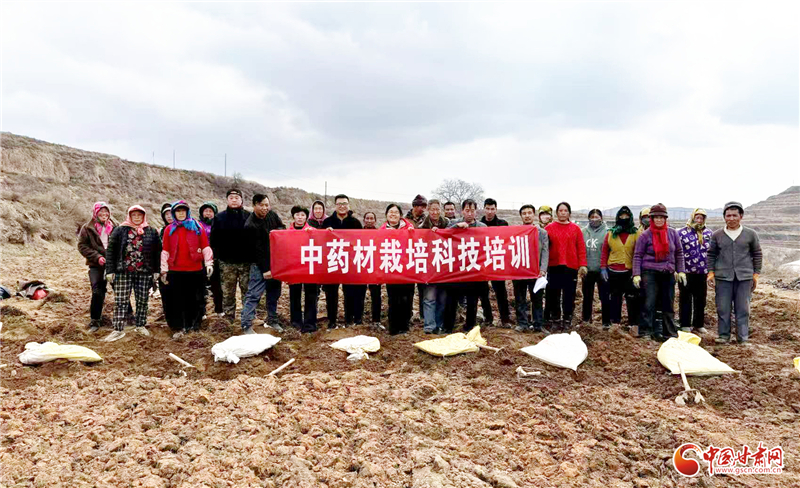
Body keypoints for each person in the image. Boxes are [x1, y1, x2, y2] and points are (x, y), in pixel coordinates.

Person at [103, 205, 161, 342]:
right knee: (121, 301)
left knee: (142, 300)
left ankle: (140, 325)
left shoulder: (151, 231)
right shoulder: (119, 230)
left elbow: (157, 252)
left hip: (144, 272)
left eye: (139, 215)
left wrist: (156, 270)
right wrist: (110, 270)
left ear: (143, 216)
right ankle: (118, 329)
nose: (136, 217)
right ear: (129, 216)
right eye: (134, 215)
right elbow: (111, 251)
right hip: (123, 272)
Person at [708, 201, 762, 345]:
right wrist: (711, 273)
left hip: (744, 277)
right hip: (723, 277)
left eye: (734, 215)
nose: (731, 218)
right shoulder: (717, 235)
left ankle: (742, 338)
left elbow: (757, 254)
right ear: (724, 217)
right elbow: (711, 254)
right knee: (723, 307)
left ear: (741, 216)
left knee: (743, 308)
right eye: (728, 215)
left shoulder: (751, 234)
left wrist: (756, 274)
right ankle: (723, 335)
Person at [632, 203, 686, 341]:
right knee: (649, 302)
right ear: (651, 219)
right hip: (650, 273)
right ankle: (646, 331)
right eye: (656, 217)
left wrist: (681, 271)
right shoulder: (645, 235)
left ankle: (669, 332)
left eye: (662, 217)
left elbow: (679, 253)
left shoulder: (672, 233)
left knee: (668, 303)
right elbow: (637, 255)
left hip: (667, 272)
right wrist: (636, 274)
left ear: (665, 219)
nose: (659, 220)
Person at [160, 201, 214, 339]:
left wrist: (208, 263)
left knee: (195, 299)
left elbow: (205, 246)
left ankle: (194, 325)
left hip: (195, 270)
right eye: (178, 211)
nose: (181, 213)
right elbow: (165, 250)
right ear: (174, 213)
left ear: (187, 212)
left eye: (183, 211)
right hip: (176, 270)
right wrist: (164, 270)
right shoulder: (169, 230)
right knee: (177, 300)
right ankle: (179, 326)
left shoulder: (197, 227)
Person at [442, 199, 487, 333]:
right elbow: (443, 235)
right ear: (462, 211)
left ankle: (469, 326)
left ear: (476, 212)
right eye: (467, 210)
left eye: (472, 210)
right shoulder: (453, 223)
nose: (470, 213)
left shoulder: (482, 227)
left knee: (472, 300)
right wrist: (456, 227)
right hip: (457, 269)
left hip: (474, 269)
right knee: (451, 299)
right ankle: (448, 327)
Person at [240, 194, 282, 334]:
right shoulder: (250, 225)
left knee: (274, 294)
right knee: (254, 295)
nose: (265, 208)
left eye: (266, 205)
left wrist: (277, 232)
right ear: (254, 206)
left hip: (275, 261)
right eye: (261, 205)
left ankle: (272, 320)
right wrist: (265, 269)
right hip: (259, 265)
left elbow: (281, 227)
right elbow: (256, 251)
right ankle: (246, 324)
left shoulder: (272, 215)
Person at [322, 194, 365, 328]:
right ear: (335, 205)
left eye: (344, 203)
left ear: (348, 205)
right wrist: (325, 233)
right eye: (339, 204)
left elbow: (361, 241)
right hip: (332, 261)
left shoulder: (355, 223)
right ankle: (332, 320)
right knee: (331, 293)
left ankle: (349, 319)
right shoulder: (327, 222)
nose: (342, 206)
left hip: (349, 262)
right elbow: (320, 241)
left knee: (350, 292)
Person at [544, 202, 587, 332]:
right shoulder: (549, 228)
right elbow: (544, 248)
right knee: (554, 295)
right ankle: (555, 319)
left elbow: (581, 248)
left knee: (569, 295)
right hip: (554, 266)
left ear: (569, 213)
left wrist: (582, 264)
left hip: (570, 267)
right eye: (560, 210)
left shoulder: (576, 229)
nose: (563, 213)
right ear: (556, 213)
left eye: (565, 210)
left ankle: (567, 320)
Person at [77, 202, 117, 332]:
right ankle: (95, 321)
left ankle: (128, 317)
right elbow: (82, 246)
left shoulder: (115, 227)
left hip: (113, 265)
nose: (104, 214)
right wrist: (97, 257)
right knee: (97, 291)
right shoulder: (87, 228)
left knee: (120, 290)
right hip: (96, 265)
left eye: (106, 211)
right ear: (95, 213)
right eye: (101, 212)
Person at [600, 206, 640, 329]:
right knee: (615, 298)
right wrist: (603, 268)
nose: (624, 218)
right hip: (613, 271)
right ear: (618, 218)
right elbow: (604, 252)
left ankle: (633, 324)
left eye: (626, 216)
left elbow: (638, 253)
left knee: (632, 299)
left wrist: (637, 272)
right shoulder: (611, 233)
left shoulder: (635, 233)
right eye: (621, 216)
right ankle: (615, 323)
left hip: (629, 272)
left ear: (630, 217)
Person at [513, 204, 549, 333]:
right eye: (524, 213)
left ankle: (538, 324)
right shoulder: (515, 231)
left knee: (537, 298)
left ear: (534, 215)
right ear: (521, 216)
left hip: (536, 271)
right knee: (520, 298)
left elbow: (545, 251)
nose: (527, 216)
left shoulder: (542, 232)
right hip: (519, 270)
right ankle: (522, 323)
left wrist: (543, 269)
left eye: (529, 213)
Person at [678, 208, 713, 334]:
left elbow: (712, 252)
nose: (699, 220)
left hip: (702, 272)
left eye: (701, 218)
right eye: (697, 217)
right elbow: (678, 252)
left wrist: (711, 270)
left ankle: (698, 324)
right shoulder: (682, 233)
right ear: (692, 217)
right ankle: (685, 324)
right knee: (685, 298)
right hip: (686, 272)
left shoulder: (708, 233)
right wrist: (678, 269)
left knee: (701, 299)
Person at [382, 204, 416, 334]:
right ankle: (394, 327)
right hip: (391, 269)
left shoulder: (409, 228)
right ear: (386, 214)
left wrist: (412, 234)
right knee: (393, 298)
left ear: (400, 215)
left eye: (396, 212)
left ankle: (405, 326)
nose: (393, 214)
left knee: (407, 298)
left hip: (407, 269)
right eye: (390, 212)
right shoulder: (382, 230)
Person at [479, 198, 511, 327]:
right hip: (482, 262)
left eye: (492, 209)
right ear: (484, 209)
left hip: (497, 261)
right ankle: (488, 318)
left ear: (496, 209)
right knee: (483, 292)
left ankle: (505, 319)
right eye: (487, 208)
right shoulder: (478, 224)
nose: (490, 211)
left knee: (501, 291)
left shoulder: (503, 224)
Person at [419, 200, 450, 333]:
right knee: (429, 298)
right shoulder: (422, 227)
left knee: (442, 298)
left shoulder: (448, 224)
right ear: (428, 210)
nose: (435, 212)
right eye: (432, 209)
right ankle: (429, 326)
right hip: (429, 267)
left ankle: (439, 325)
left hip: (444, 266)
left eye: (437, 209)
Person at [288, 206, 319, 333]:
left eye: (302, 215)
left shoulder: (313, 231)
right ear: (293, 217)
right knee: (294, 295)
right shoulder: (287, 233)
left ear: (306, 217)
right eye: (297, 215)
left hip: (309, 267)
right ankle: (296, 322)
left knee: (311, 295)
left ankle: (310, 324)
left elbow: (321, 243)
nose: (300, 218)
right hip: (294, 267)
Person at [581, 209, 611, 328]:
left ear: (601, 218)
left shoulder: (607, 232)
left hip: (602, 270)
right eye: (592, 217)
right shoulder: (583, 232)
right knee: (587, 296)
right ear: (589, 218)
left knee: (605, 296)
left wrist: (606, 267)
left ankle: (606, 322)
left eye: (597, 216)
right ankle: (586, 320)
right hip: (587, 269)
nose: (594, 219)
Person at [405, 194, 428, 324]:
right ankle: (408, 315)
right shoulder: (405, 220)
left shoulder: (427, 220)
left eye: (424, 206)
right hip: (408, 257)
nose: (422, 209)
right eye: (419, 206)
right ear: (414, 206)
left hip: (422, 257)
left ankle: (424, 315)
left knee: (423, 289)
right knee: (409, 290)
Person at [198, 201, 223, 317]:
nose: (208, 213)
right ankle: (201, 312)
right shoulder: (197, 225)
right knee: (200, 286)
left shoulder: (219, 224)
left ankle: (219, 310)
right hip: (200, 259)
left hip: (215, 259)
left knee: (217, 286)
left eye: (210, 211)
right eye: (206, 211)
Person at [363, 211, 384, 329]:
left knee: (376, 295)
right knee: (360, 295)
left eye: (372, 218)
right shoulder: (357, 233)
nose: (369, 220)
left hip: (375, 269)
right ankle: (358, 320)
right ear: (364, 220)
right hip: (361, 268)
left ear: (375, 221)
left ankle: (376, 320)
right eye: (367, 218)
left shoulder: (379, 234)